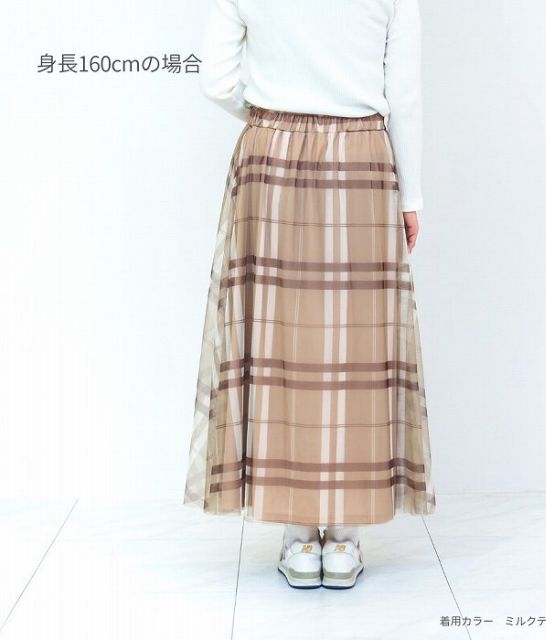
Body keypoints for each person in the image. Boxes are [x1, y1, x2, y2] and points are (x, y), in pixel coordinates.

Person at [183, 0, 436, 590]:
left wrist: (269, 115)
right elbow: (404, 96)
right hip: (362, 155)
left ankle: (298, 540)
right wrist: (411, 196)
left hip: (270, 151)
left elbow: (215, 81)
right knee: (357, 348)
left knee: (279, 342)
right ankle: (344, 540)